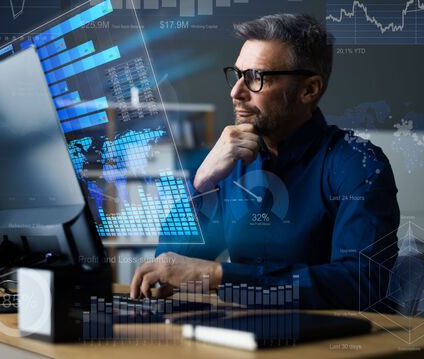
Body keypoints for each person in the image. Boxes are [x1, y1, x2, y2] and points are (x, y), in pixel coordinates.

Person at [130, 14, 400, 309]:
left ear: (308, 89)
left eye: (256, 77)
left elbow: (360, 284)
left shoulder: (357, 164)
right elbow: (164, 272)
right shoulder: (227, 162)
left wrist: (218, 275)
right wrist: (202, 183)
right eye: (237, 74)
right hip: (242, 337)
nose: (236, 92)